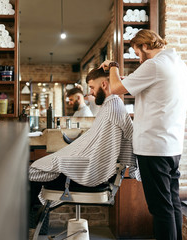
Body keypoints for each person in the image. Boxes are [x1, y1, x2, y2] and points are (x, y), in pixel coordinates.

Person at [100, 29, 187, 240]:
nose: (138, 59)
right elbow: (142, 85)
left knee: (160, 209)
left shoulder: (154, 65)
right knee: (172, 203)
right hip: (172, 146)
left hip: (154, 147)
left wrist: (112, 66)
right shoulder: (177, 64)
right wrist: (123, 78)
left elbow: (115, 88)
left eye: (137, 52)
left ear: (146, 46)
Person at [28, 68, 140, 236]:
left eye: (92, 87)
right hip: (94, 173)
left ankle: (25, 228)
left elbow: (129, 137)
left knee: (30, 176)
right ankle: (28, 225)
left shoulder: (113, 107)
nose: (91, 93)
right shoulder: (112, 106)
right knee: (32, 174)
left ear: (104, 84)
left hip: (90, 176)